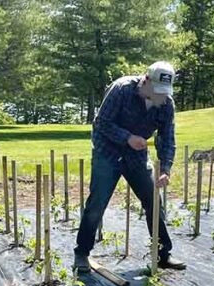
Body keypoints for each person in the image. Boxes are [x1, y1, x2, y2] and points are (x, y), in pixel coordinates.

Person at [73, 61, 186, 274]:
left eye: (164, 92)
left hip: (137, 155)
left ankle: (162, 254)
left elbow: (167, 138)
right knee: (97, 202)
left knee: (154, 200)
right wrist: (127, 137)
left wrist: (166, 169)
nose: (160, 96)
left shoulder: (166, 104)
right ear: (145, 80)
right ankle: (82, 254)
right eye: (156, 91)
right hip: (107, 151)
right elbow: (101, 123)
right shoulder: (121, 90)